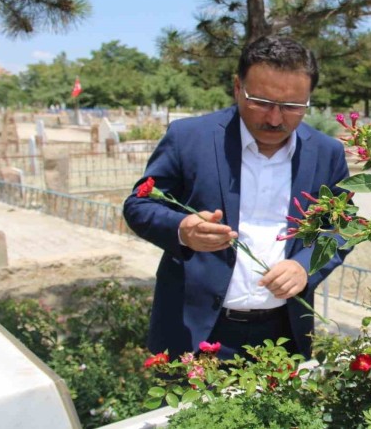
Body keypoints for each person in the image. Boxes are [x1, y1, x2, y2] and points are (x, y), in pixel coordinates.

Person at [123, 36, 350, 361]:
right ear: (236, 87)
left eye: (292, 107)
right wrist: (182, 229)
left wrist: (304, 267)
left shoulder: (326, 153)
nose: (274, 118)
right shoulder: (188, 138)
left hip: (284, 334)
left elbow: (343, 228)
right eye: (260, 101)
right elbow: (138, 205)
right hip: (195, 332)